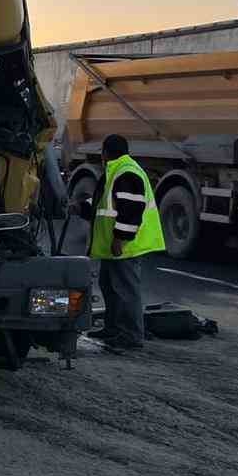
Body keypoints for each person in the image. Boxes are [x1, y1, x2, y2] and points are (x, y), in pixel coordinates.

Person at [79, 134, 165, 350]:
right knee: (109, 285)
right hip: (114, 246)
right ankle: (113, 328)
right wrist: (79, 207)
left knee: (125, 289)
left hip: (125, 246)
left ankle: (131, 335)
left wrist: (120, 239)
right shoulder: (116, 170)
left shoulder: (126, 172)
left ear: (105, 152)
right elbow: (104, 203)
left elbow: (131, 210)